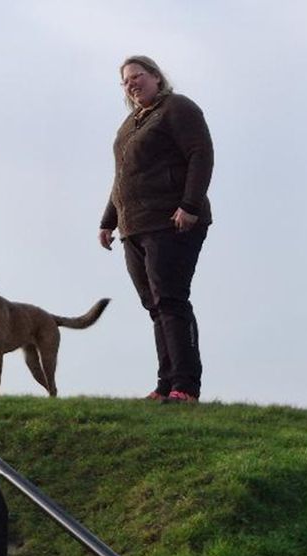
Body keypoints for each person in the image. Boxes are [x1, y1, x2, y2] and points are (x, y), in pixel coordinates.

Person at [99, 56, 214, 404]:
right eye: (126, 80)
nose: (132, 83)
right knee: (154, 305)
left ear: (156, 77)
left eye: (138, 76)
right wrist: (109, 219)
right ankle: (166, 383)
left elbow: (201, 153)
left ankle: (185, 385)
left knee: (171, 300)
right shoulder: (130, 124)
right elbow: (123, 177)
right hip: (134, 226)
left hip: (172, 220)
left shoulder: (177, 108)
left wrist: (190, 205)